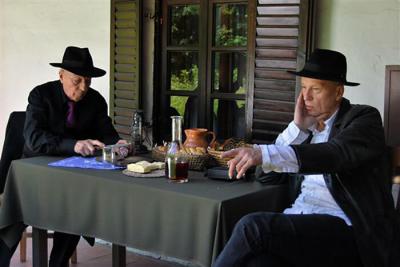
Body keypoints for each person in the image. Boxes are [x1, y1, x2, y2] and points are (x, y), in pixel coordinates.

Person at [213, 49, 400, 267]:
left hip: (348, 232)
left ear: (338, 92)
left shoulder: (363, 119)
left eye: (315, 89)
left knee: (252, 227)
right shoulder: (308, 131)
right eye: (303, 88)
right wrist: (298, 128)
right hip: (303, 222)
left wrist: (261, 152)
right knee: (260, 263)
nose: (306, 97)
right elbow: (267, 178)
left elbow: (335, 154)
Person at [0, 46, 128, 267]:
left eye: (88, 81)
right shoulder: (40, 95)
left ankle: (57, 264)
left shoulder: (95, 101)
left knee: (78, 207)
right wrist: (75, 145)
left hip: (71, 178)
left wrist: (120, 145)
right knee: (13, 218)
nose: (83, 87)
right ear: (61, 76)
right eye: (77, 81)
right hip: (34, 173)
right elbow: (35, 139)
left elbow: (108, 135)